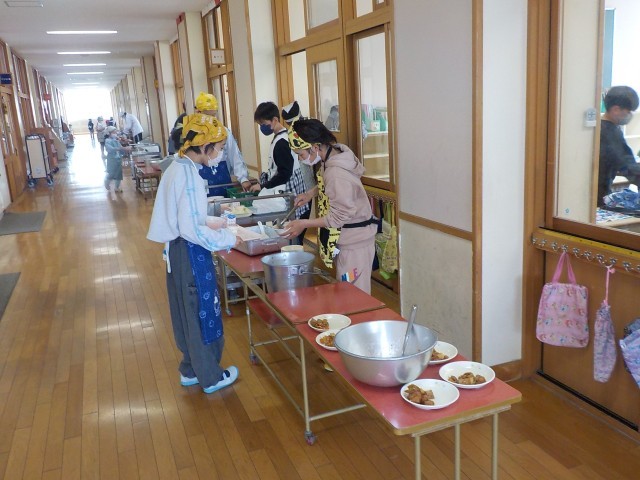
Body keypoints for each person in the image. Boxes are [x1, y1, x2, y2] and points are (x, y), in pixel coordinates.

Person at [147, 113, 240, 394]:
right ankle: (210, 376)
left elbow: (185, 216)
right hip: (189, 251)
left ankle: (190, 369)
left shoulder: (176, 166)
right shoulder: (190, 176)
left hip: (176, 251)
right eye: (219, 148)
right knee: (201, 310)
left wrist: (211, 222)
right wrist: (228, 237)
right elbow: (191, 230)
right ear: (203, 145)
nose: (220, 153)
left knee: (185, 311)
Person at [282, 118, 377, 293]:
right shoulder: (334, 154)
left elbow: (338, 217)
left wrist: (304, 224)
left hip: (355, 243)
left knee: (354, 295)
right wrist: (309, 194)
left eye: (301, 154)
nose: (300, 159)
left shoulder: (336, 173)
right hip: (351, 238)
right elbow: (326, 184)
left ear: (315, 147)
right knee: (347, 288)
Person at [251, 101, 309, 242]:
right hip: (289, 192)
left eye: (264, 124)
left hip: (290, 194)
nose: (262, 127)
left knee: (291, 235)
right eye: (260, 125)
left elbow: (284, 173)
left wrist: (263, 186)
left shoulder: (282, 142)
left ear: (275, 120)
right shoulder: (281, 137)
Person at [193, 92, 252, 196]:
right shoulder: (192, 132)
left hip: (222, 177)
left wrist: (243, 178)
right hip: (200, 179)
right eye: (208, 115)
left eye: (213, 115)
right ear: (198, 112)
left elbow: (234, 155)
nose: (211, 119)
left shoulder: (223, 132)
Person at [598, 85, 640, 207]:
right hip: (600, 195)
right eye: (629, 112)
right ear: (616, 109)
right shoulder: (612, 133)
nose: (630, 115)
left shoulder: (598, 126)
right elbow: (628, 166)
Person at [104, 126, 131, 192]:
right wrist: (123, 148)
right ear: (109, 133)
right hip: (112, 159)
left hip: (118, 159)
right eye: (114, 132)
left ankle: (116, 187)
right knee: (111, 173)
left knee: (118, 174)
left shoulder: (116, 141)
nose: (115, 134)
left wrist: (126, 150)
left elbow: (121, 148)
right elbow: (110, 149)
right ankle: (106, 182)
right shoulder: (107, 141)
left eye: (116, 132)